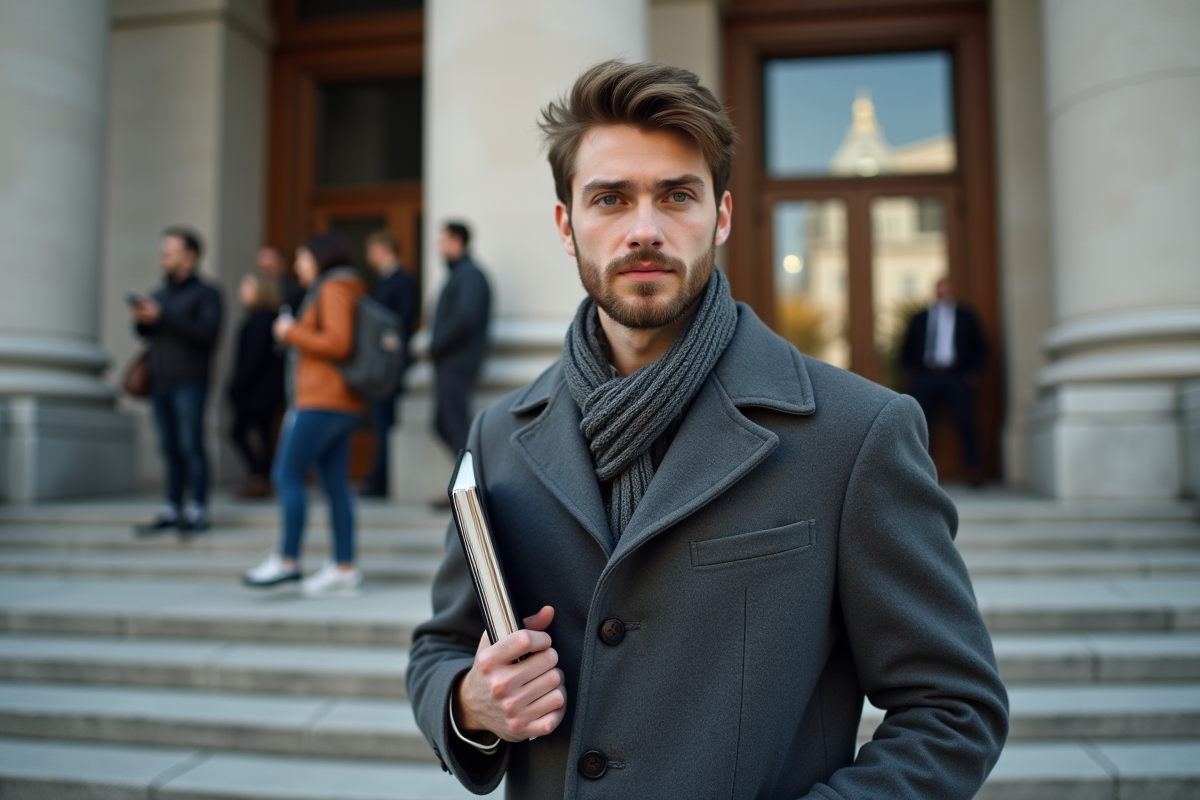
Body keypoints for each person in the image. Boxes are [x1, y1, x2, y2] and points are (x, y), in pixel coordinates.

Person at [406, 62, 1008, 799]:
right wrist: (470, 702)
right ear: (567, 225)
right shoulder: (499, 434)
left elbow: (954, 709)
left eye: (677, 196)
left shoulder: (858, 433)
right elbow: (439, 645)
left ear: (720, 216)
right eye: (610, 199)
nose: (645, 230)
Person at [242, 233, 366, 595]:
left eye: (302, 258)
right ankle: (344, 567)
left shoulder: (333, 289)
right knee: (334, 486)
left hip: (322, 401)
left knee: (286, 474)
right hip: (334, 401)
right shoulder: (340, 288)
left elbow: (337, 342)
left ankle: (287, 560)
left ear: (319, 259)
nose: (297, 266)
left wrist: (291, 331)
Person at [131, 228, 223, 536]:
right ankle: (172, 506)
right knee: (168, 446)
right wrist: (142, 318)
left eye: (169, 251)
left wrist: (163, 316)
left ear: (189, 256)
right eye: (163, 251)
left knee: (191, 444)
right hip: (160, 381)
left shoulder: (207, 294)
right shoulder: (159, 294)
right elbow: (145, 334)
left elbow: (207, 335)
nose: (163, 257)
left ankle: (198, 507)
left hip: (190, 382)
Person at [900, 276, 988, 485]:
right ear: (936, 291)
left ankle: (973, 470)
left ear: (952, 291)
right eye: (941, 289)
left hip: (957, 376)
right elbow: (906, 348)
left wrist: (973, 372)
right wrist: (911, 373)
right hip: (926, 376)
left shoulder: (966, 316)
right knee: (921, 425)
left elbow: (981, 347)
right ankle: (918, 474)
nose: (944, 293)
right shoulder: (921, 317)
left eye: (947, 289)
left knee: (966, 422)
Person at [359, 230, 420, 497]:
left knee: (385, 420)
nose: (368, 255)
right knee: (379, 419)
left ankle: (381, 480)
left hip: (391, 365)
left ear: (385, 248)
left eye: (372, 249)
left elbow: (403, 319)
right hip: (377, 364)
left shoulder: (403, 280)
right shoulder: (380, 280)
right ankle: (377, 477)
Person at [429, 221, 491, 459]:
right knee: (444, 425)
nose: (439, 248)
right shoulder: (461, 275)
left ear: (456, 242)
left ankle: (472, 490)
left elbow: (463, 319)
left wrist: (436, 346)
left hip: (457, 363)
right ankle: (466, 487)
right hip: (451, 362)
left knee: (454, 426)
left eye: (443, 241)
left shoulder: (469, 276)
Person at [227, 273, 285, 499]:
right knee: (263, 434)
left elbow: (252, 358)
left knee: (240, 432)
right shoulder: (269, 319)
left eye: (247, 287)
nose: (242, 292)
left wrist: (237, 385)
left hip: (256, 391)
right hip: (265, 391)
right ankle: (261, 479)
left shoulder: (260, 320)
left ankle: (259, 477)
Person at [257, 244, 305, 311]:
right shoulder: (257, 293)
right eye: (263, 268)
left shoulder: (292, 292)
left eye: (269, 269)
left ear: (282, 265)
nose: (266, 275)